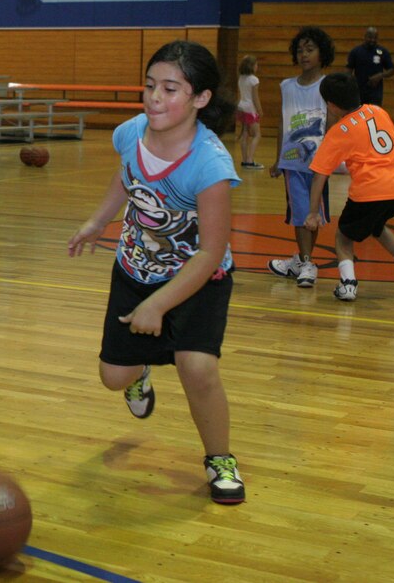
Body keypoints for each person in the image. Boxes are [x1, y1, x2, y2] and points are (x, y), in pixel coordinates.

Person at [68, 40, 245, 505]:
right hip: (135, 270)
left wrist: (159, 303)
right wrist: (97, 221)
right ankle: (141, 371)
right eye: (149, 86)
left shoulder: (210, 165)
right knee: (112, 377)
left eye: (170, 89)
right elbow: (126, 177)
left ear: (200, 99)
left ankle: (220, 459)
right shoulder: (131, 133)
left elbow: (210, 253)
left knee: (198, 367)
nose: (154, 98)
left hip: (198, 280)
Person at [303, 73, 394, 301]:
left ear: (330, 105)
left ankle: (348, 284)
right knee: (376, 225)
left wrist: (313, 212)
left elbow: (319, 175)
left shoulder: (338, 133)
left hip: (370, 191)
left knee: (343, 237)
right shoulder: (378, 111)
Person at [267, 26, 334, 288]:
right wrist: (277, 159)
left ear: (322, 53)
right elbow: (282, 124)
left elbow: (332, 124)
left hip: (319, 164)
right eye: (300, 50)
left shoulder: (328, 86)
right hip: (292, 162)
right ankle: (306, 262)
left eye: (310, 49)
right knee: (299, 214)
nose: (304, 54)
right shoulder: (287, 86)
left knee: (312, 214)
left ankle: (302, 261)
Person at [346, 27, 394, 106]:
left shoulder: (382, 52)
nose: (372, 40)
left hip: (375, 92)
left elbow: (391, 70)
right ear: (365, 37)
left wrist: (380, 76)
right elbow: (349, 70)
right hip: (359, 91)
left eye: (375, 38)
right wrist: (350, 84)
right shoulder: (356, 51)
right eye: (370, 37)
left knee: (374, 114)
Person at [235, 55, 264, 169]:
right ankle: (250, 160)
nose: (257, 66)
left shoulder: (241, 77)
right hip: (250, 109)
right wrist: (260, 110)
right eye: (256, 64)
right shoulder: (254, 79)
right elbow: (255, 97)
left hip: (241, 107)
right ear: (252, 66)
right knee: (257, 134)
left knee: (245, 133)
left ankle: (244, 159)